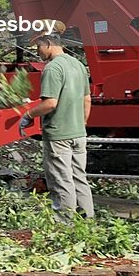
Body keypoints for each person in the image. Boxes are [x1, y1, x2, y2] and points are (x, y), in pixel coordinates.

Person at [19, 33, 94, 219]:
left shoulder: (53, 68)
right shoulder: (78, 65)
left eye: (39, 47)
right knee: (79, 178)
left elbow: (50, 103)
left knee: (61, 180)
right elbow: (87, 100)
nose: (38, 52)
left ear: (49, 44)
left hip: (59, 135)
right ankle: (87, 221)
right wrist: (81, 124)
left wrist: (28, 115)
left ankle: (64, 225)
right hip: (78, 134)